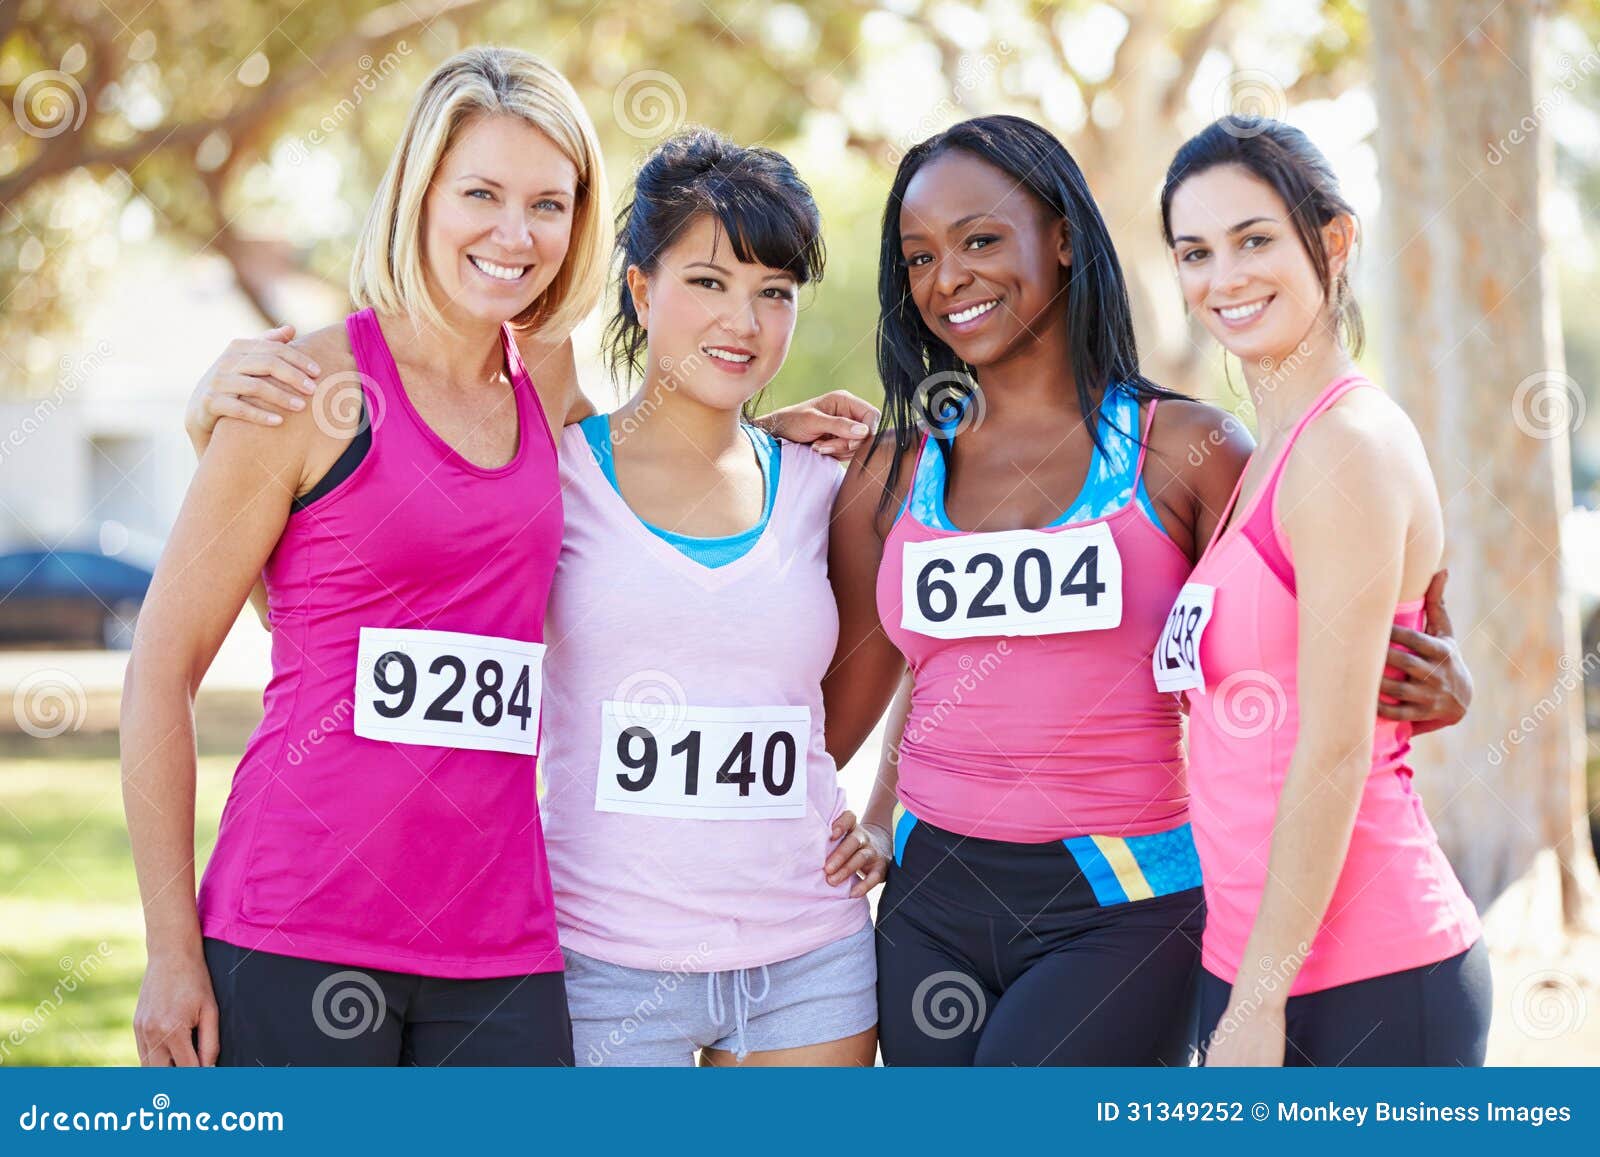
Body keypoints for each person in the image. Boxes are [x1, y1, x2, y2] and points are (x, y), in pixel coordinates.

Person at [822, 115, 1475, 1066]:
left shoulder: (1192, 451)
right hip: (931, 899)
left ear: (1064, 239)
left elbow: (1284, 639)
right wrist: (877, 817)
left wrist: (1444, 676)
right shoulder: (898, 466)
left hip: (1124, 899)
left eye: (979, 239)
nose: (948, 277)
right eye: (919, 257)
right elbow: (932, 662)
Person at [123, 46, 612, 1066]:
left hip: (503, 946)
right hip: (292, 924)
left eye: (548, 203)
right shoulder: (298, 389)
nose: (515, 235)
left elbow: (657, 486)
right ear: (419, 194)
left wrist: (764, 438)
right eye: (480, 192)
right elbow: (160, 671)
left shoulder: (551, 382)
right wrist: (171, 950)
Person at [542, 130, 882, 1067]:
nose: (744, 319)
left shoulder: (826, 486)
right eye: (709, 282)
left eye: (774, 292)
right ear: (642, 289)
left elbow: (843, 698)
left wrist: (879, 808)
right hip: (601, 960)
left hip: (809, 954)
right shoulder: (558, 473)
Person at [1160, 115, 1489, 1066]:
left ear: (1333, 240)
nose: (1224, 277)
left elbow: (1336, 747)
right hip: (1249, 961)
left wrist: (1260, 1005)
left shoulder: (1347, 444)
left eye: (1254, 239)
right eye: (1196, 251)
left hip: (1370, 982)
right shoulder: (1265, 459)